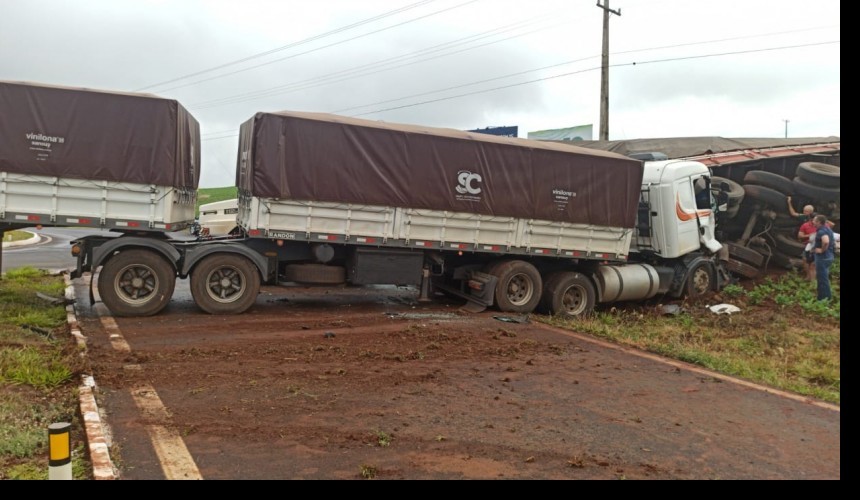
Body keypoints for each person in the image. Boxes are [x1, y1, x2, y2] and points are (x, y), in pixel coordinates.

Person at [787, 197, 816, 279]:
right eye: (804, 210)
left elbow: (830, 224)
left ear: (811, 212)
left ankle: (811, 278)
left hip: (814, 242)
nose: (804, 212)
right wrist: (789, 202)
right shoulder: (804, 217)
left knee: (811, 262)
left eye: (806, 211)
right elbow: (793, 213)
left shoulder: (817, 220)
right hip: (806, 241)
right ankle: (809, 277)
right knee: (806, 259)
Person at [811, 214, 836, 302]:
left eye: (814, 220)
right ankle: (822, 295)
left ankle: (824, 299)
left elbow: (826, 241)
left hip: (823, 257)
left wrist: (821, 250)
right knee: (823, 277)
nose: (813, 222)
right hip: (829, 256)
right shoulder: (827, 228)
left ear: (818, 222)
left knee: (822, 279)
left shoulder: (821, 231)